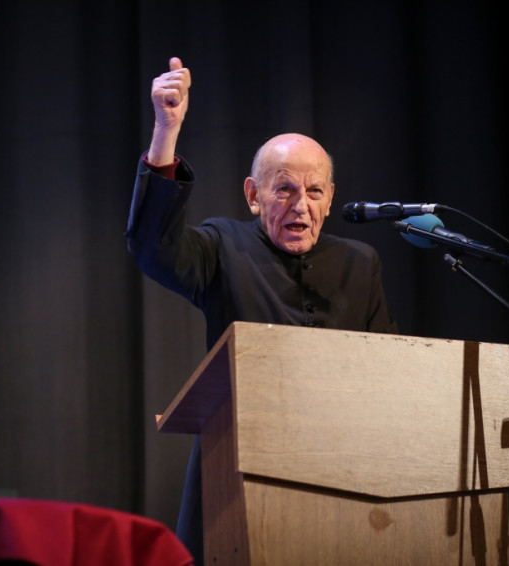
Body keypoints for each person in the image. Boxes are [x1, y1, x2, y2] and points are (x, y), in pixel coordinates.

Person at [125, 57, 398, 563]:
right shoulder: (222, 246)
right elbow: (152, 249)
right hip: (238, 469)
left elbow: (390, 369)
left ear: (330, 198)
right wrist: (166, 131)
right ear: (254, 195)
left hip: (342, 471)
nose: (301, 205)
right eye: (285, 188)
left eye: (314, 191)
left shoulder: (360, 264)